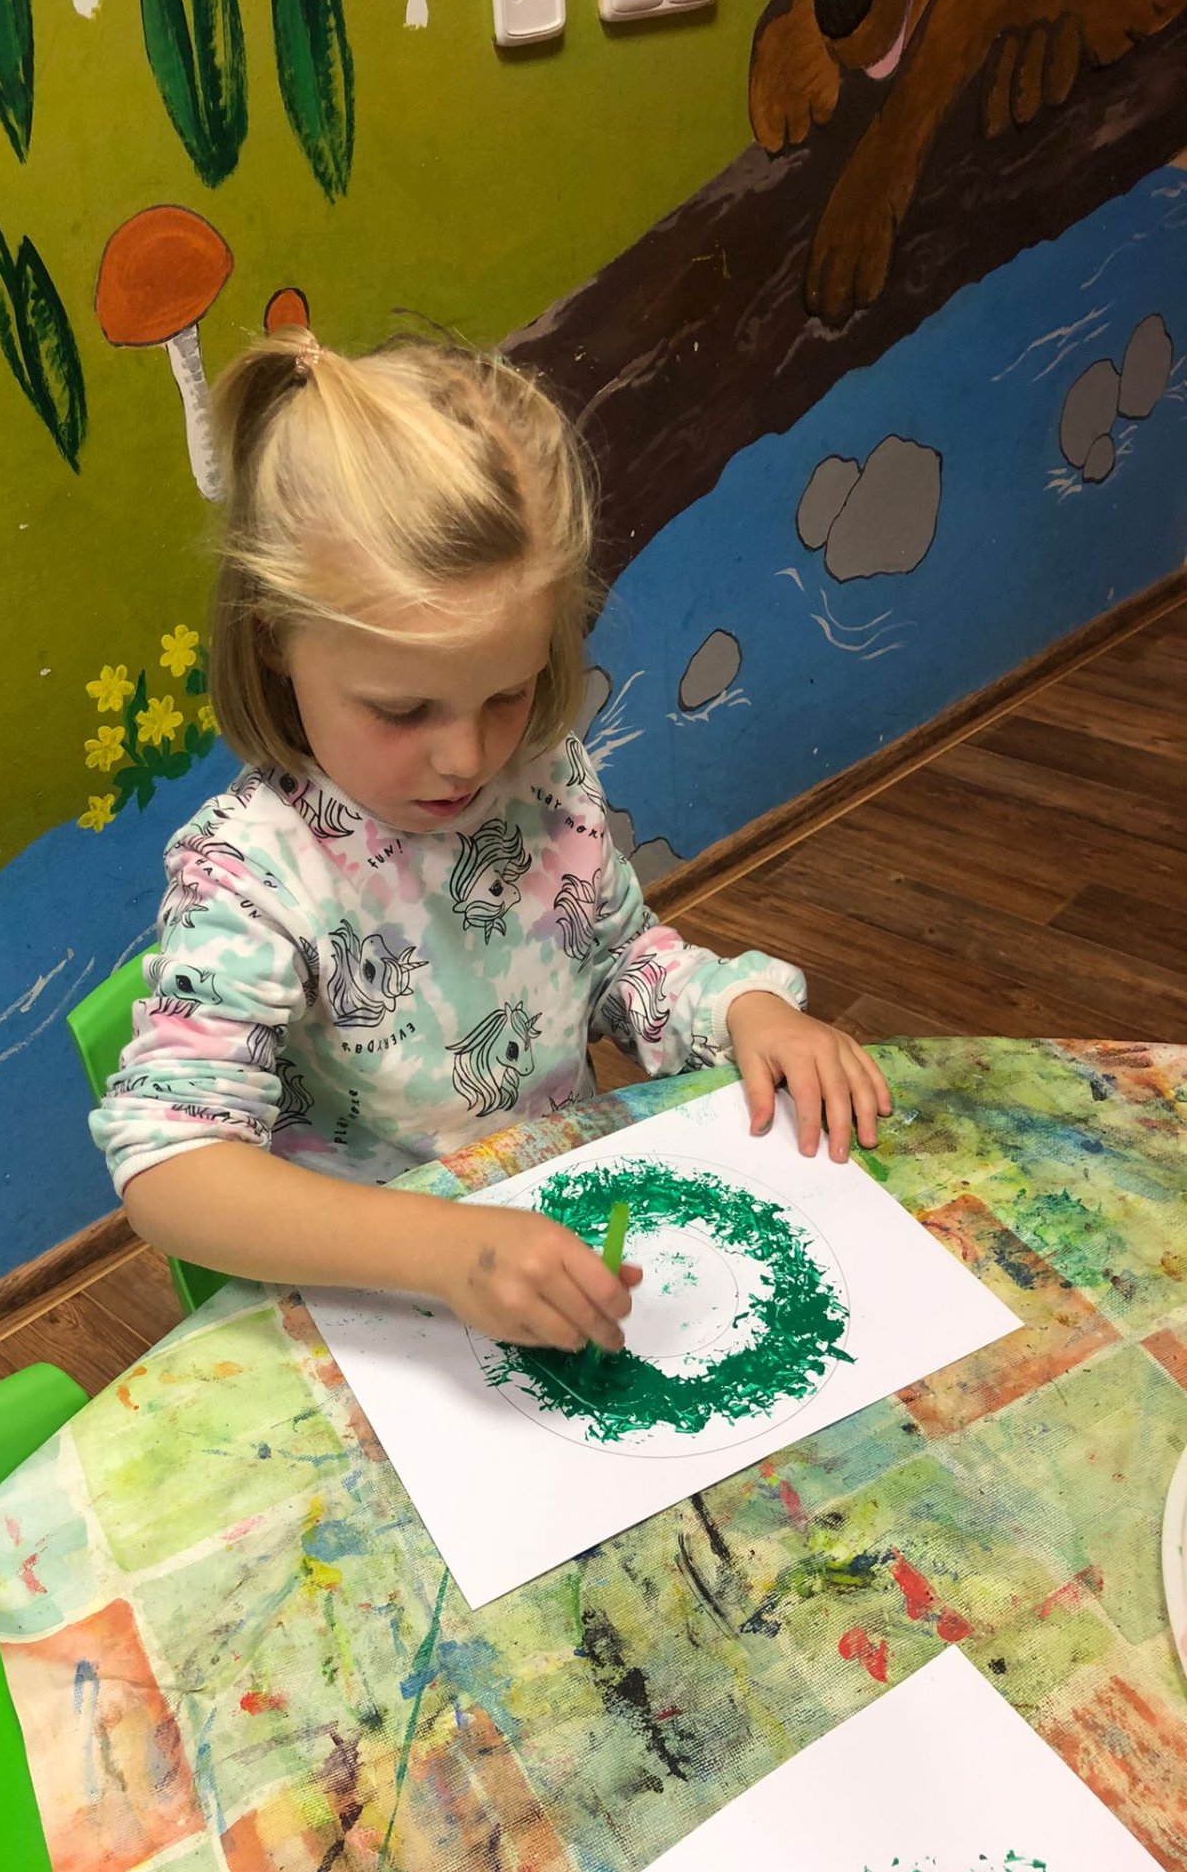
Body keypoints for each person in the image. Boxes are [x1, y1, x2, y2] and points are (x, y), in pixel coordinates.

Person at [91, 331, 891, 1356]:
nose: (466, 758)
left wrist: (742, 1009)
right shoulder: (250, 877)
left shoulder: (545, 782)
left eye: (507, 693)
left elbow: (618, 963)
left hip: (559, 1259)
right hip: (378, 1316)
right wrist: (446, 1251)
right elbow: (171, 1169)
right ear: (274, 640)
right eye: (403, 709)